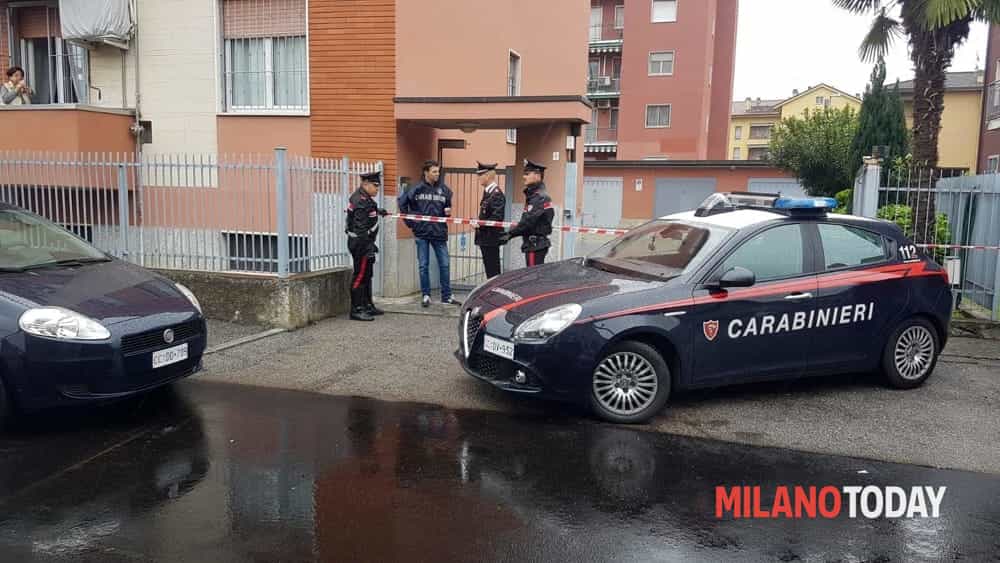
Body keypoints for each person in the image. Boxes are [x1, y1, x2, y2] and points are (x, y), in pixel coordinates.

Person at [397, 160, 460, 307]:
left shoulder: (445, 190)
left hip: (439, 233)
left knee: (444, 265)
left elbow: (447, 208)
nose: (437, 174)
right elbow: (402, 203)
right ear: (426, 172)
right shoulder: (416, 189)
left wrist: (447, 213)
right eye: (434, 171)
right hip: (422, 233)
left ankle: (447, 296)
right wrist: (411, 223)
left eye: (438, 171)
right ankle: (426, 295)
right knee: (423, 266)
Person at [346, 170, 389, 321]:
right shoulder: (360, 201)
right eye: (375, 185)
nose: (377, 189)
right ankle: (356, 309)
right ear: (365, 184)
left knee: (367, 275)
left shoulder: (366, 198)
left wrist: (378, 211)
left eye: (378, 186)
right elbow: (360, 228)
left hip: (365, 242)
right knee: (360, 276)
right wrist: (368, 247)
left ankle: (367, 305)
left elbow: (369, 211)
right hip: (360, 244)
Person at [500, 159, 554, 266]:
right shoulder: (535, 195)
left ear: (537, 175)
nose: (524, 177)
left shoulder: (539, 197)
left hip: (535, 245)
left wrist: (510, 234)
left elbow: (528, 222)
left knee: (534, 279)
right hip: (534, 244)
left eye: (527, 174)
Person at [474, 161, 506, 278]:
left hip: (491, 238)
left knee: (493, 271)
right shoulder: (488, 192)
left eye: (480, 175)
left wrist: (480, 225)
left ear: (487, 175)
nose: (479, 178)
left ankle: (495, 294)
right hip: (485, 238)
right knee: (489, 269)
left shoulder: (496, 194)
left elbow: (496, 218)